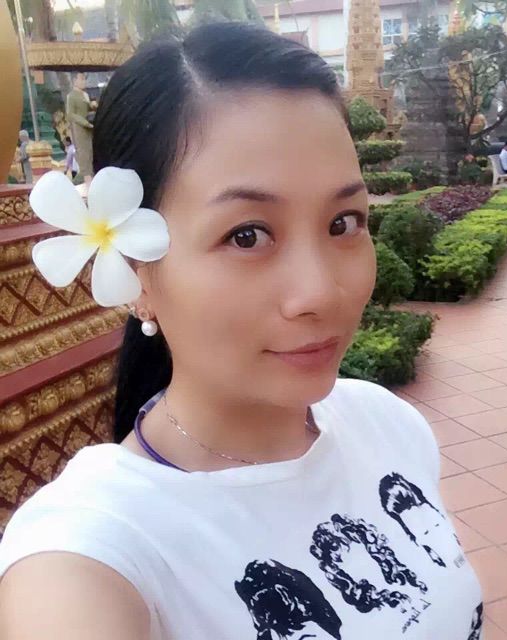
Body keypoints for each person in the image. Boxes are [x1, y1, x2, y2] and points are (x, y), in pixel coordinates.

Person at [0, 22, 482, 640]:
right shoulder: (94, 551)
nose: (319, 293)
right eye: (247, 235)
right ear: (138, 272)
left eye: (343, 222)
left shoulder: (386, 425)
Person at [66, 72, 93, 186]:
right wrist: (84, 122)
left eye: (84, 79)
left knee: (91, 151)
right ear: (74, 81)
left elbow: (88, 108)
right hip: (79, 127)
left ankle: (92, 177)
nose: (84, 82)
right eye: (81, 79)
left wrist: (92, 105)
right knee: (84, 152)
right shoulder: (71, 96)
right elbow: (70, 114)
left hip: (90, 126)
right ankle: (87, 180)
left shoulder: (85, 95)